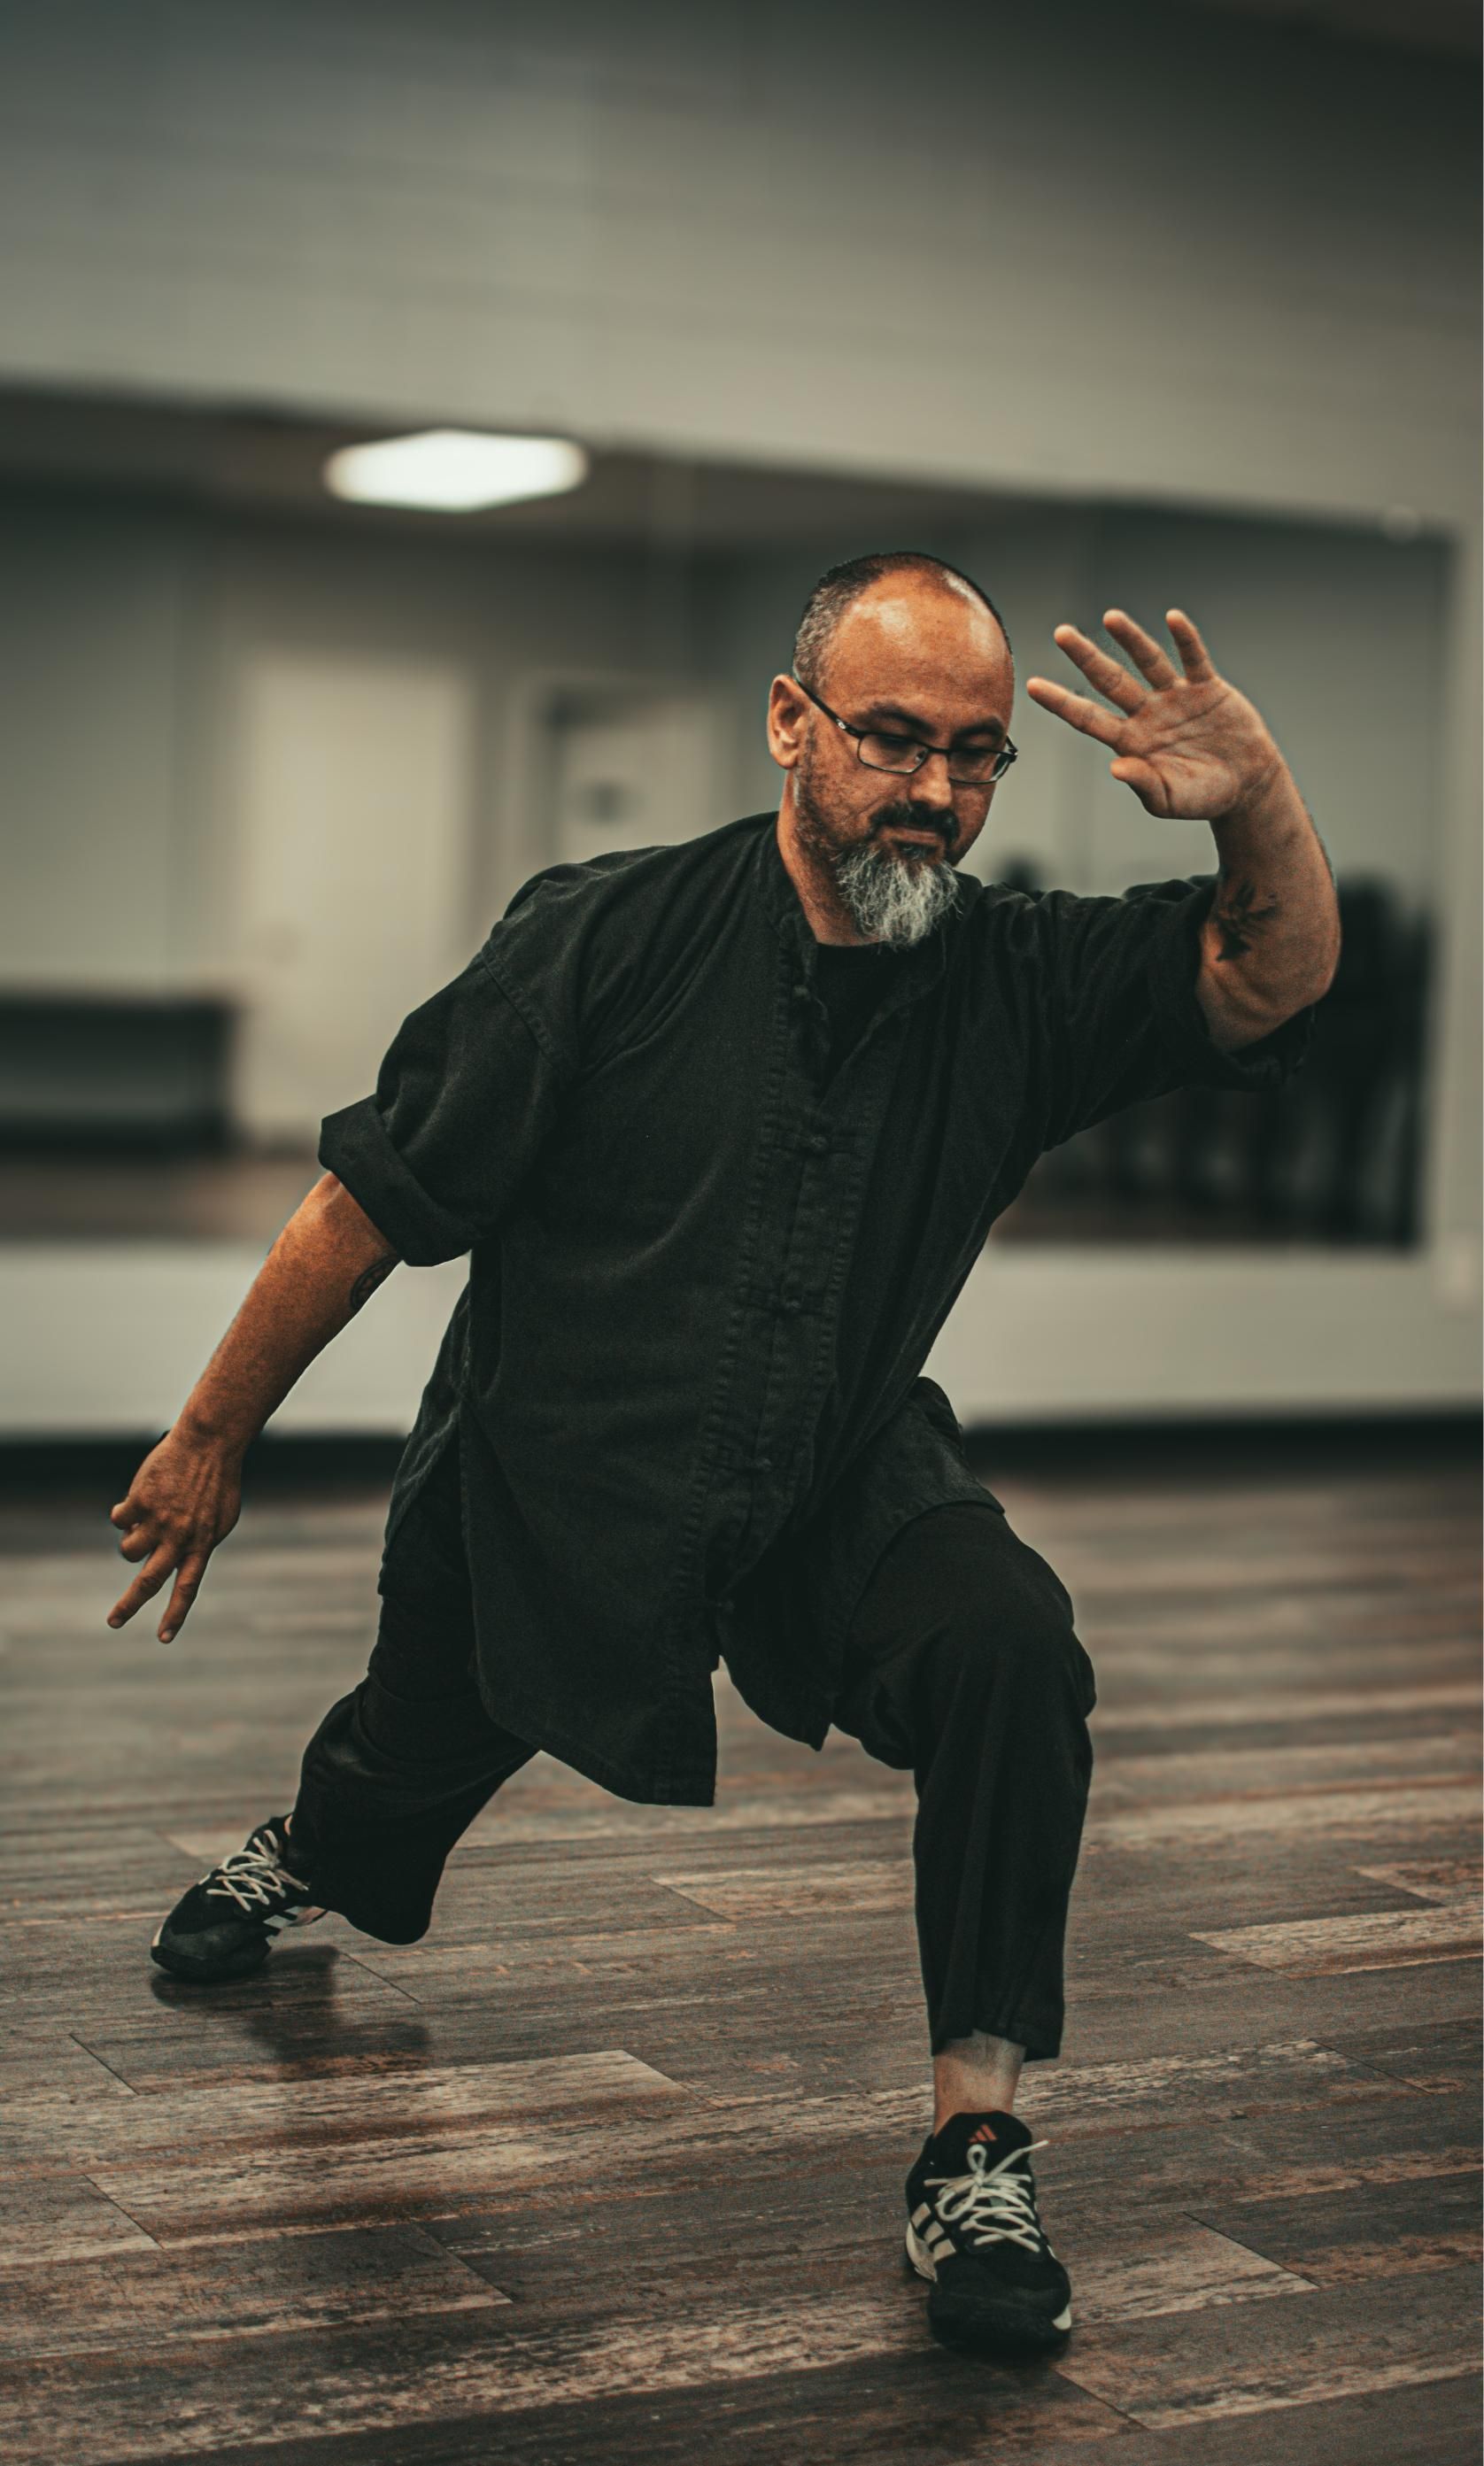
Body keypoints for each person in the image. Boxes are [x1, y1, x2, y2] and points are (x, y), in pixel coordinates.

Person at [111, 552, 1339, 2357]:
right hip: (561, 1463)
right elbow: (368, 1199)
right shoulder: (598, 940)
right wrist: (212, 1434)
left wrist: (1262, 804)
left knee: (1007, 1648)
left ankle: (973, 2138)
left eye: (977, 756)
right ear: (789, 723)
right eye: (893, 738)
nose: (932, 791)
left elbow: (1263, 977)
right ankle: (308, 1842)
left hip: (835, 1460)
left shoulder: (1010, 973)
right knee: (409, 1756)